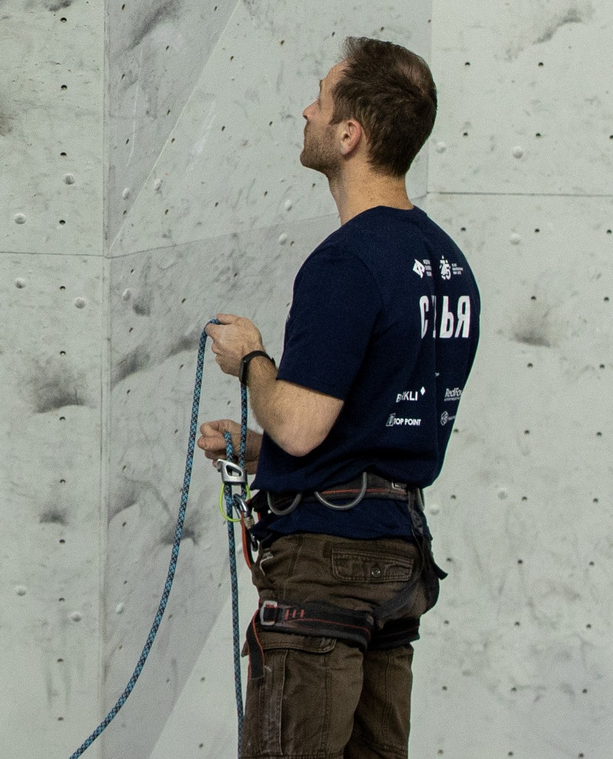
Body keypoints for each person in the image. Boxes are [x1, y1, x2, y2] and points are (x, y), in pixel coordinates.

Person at [196, 37, 479, 759]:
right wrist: (250, 450)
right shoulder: (449, 265)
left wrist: (251, 358)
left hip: (327, 568)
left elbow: (298, 424)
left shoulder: (348, 261)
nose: (306, 110)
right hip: (397, 561)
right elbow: (370, 431)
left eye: (320, 99)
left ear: (349, 134)